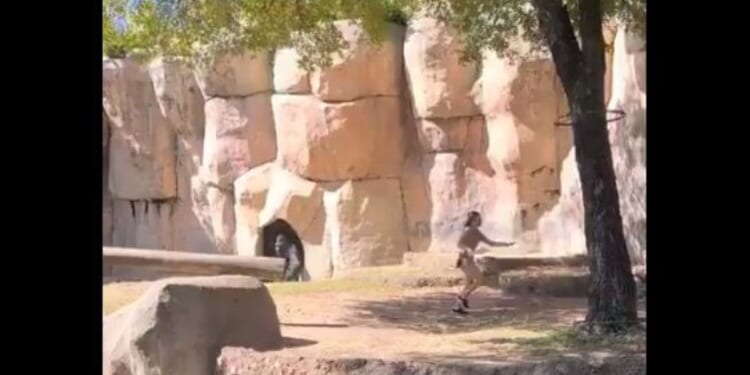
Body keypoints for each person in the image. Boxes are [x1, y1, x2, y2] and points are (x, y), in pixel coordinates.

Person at [452, 211, 514, 314]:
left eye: (478, 220)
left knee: (468, 283)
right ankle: (461, 299)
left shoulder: (477, 232)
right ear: (470, 221)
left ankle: (459, 305)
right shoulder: (467, 231)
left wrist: (506, 244)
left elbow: (491, 243)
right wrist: (467, 249)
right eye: (475, 220)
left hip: (469, 260)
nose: (477, 221)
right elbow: (459, 244)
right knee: (479, 280)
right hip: (465, 260)